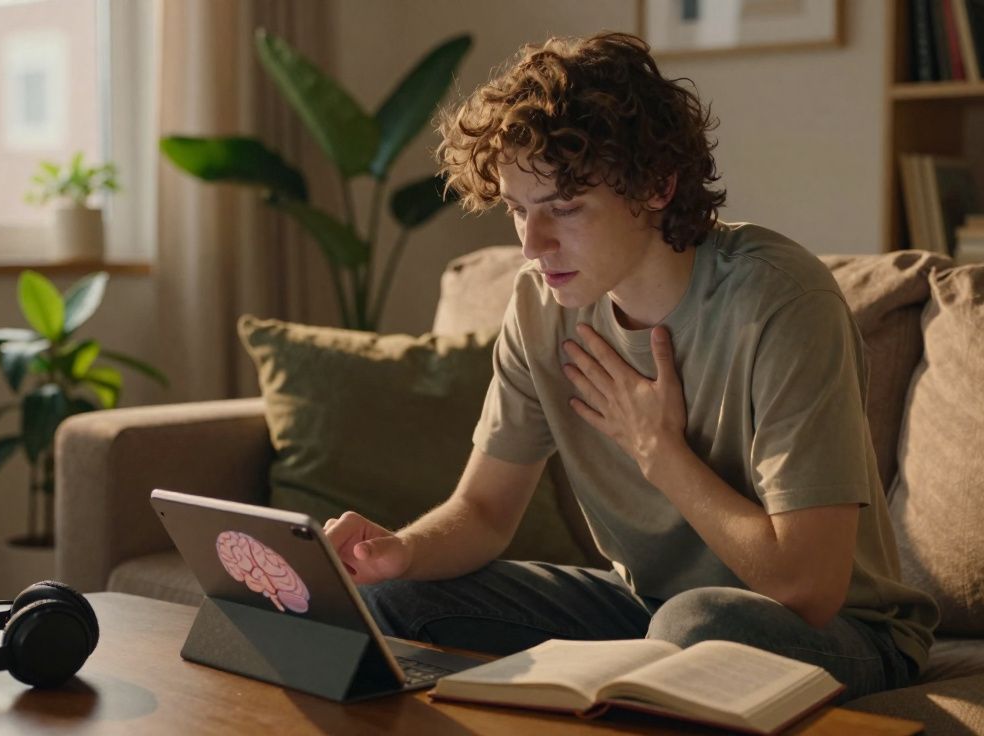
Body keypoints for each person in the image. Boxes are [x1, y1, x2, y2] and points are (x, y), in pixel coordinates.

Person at [323, 30, 937, 701]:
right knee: (400, 599)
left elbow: (808, 587)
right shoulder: (539, 306)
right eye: (518, 211)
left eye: (565, 208)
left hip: (840, 632)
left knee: (697, 623)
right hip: (651, 611)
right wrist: (401, 552)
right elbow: (484, 511)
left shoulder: (779, 300)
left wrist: (659, 450)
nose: (533, 245)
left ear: (656, 185)